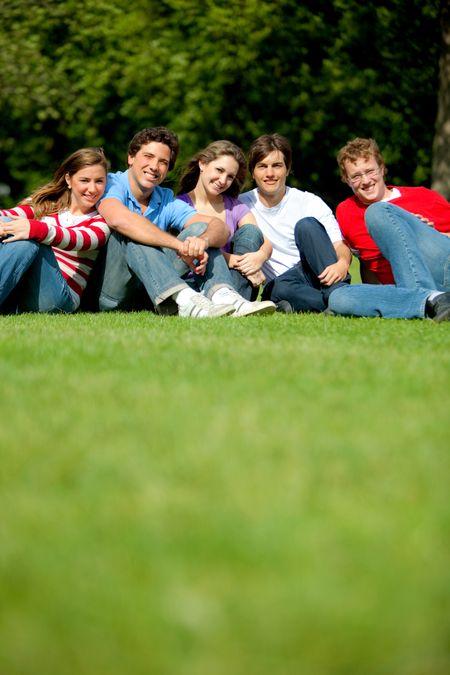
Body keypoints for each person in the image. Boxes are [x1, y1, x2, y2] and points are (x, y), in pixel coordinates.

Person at [96, 127, 275, 318]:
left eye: (163, 162)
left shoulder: (165, 198)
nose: (154, 166)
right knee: (133, 233)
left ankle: (225, 296)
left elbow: (219, 228)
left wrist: (203, 242)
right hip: (112, 294)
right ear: (131, 157)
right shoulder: (111, 183)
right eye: (148, 156)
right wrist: (181, 246)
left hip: (151, 292)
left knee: (201, 231)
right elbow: (119, 220)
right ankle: (187, 299)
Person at [327, 137, 450, 322]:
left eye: (370, 171)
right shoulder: (346, 212)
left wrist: (428, 233)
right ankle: (432, 301)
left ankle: (423, 299)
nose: (366, 180)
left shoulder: (423, 196)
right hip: (399, 286)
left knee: (376, 211)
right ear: (347, 180)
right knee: (339, 298)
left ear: (382, 169)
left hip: (442, 270)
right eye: (356, 176)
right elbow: (364, 261)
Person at [239, 133, 352, 313]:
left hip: (316, 273)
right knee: (276, 288)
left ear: (288, 168)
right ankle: (341, 303)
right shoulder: (241, 205)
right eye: (262, 166)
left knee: (306, 225)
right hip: (282, 284)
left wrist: (343, 264)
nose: (270, 173)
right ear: (252, 172)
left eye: (277, 166)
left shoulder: (309, 201)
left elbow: (339, 245)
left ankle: (335, 294)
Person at [0, 147, 110, 313]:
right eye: (85, 180)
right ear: (68, 179)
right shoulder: (48, 204)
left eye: (99, 181)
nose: (93, 189)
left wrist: (35, 228)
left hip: (60, 296)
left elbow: (76, 239)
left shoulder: (102, 220)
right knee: (11, 226)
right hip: (26, 290)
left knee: (29, 240)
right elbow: (9, 215)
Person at [176, 140, 274, 303]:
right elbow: (183, 250)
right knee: (201, 237)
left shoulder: (234, 206)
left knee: (251, 231)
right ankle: (231, 302)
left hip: (232, 281)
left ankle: (233, 299)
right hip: (191, 281)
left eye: (230, 176)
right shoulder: (179, 205)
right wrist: (232, 260)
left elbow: (264, 242)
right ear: (203, 164)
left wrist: (257, 259)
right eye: (219, 170)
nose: (223, 180)